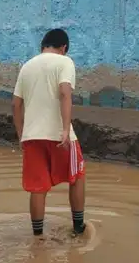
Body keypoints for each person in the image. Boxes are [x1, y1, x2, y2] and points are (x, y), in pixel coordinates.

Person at [12, 28, 86, 237]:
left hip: (32, 137)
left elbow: (16, 105)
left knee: (38, 188)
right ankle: (78, 227)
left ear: (43, 46)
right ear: (64, 47)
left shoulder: (26, 67)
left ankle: (37, 238)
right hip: (59, 135)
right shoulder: (65, 62)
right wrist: (64, 129)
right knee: (77, 176)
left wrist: (21, 136)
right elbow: (65, 92)